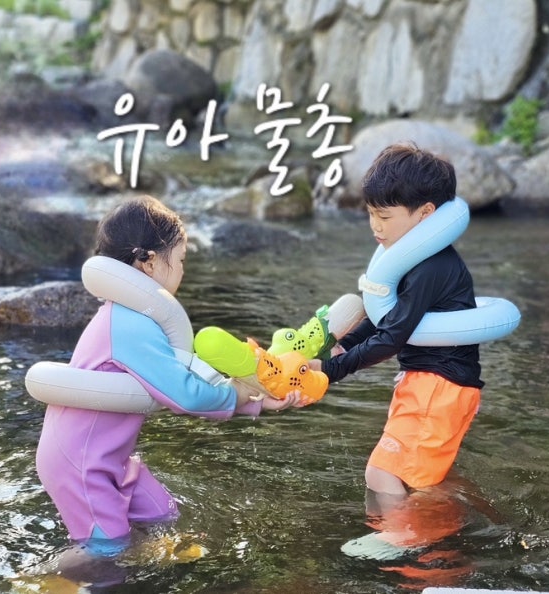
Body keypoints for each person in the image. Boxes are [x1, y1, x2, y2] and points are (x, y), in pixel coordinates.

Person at [36, 195, 300, 551]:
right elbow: (185, 393)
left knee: (163, 515)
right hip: (80, 462)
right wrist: (238, 394)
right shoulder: (127, 324)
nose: (182, 271)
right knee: (107, 550)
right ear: (149, 263)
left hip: (111, 457)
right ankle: (48, 577)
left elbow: (187, 377)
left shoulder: (135, 317)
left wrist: (255, 399)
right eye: (180, 260)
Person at [312, 143, 483, 497]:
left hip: (438, 386)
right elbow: (384, 318)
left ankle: (404, 532)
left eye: (385, 216)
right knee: (417, 479)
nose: (375, 225)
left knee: (382, 474)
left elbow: (392, 336)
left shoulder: (432, 267)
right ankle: (463, 520)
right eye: (370, 213)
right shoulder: (411, 259)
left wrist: (329, 370)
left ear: (425, 213)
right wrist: (343, 346)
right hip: (431, 383)